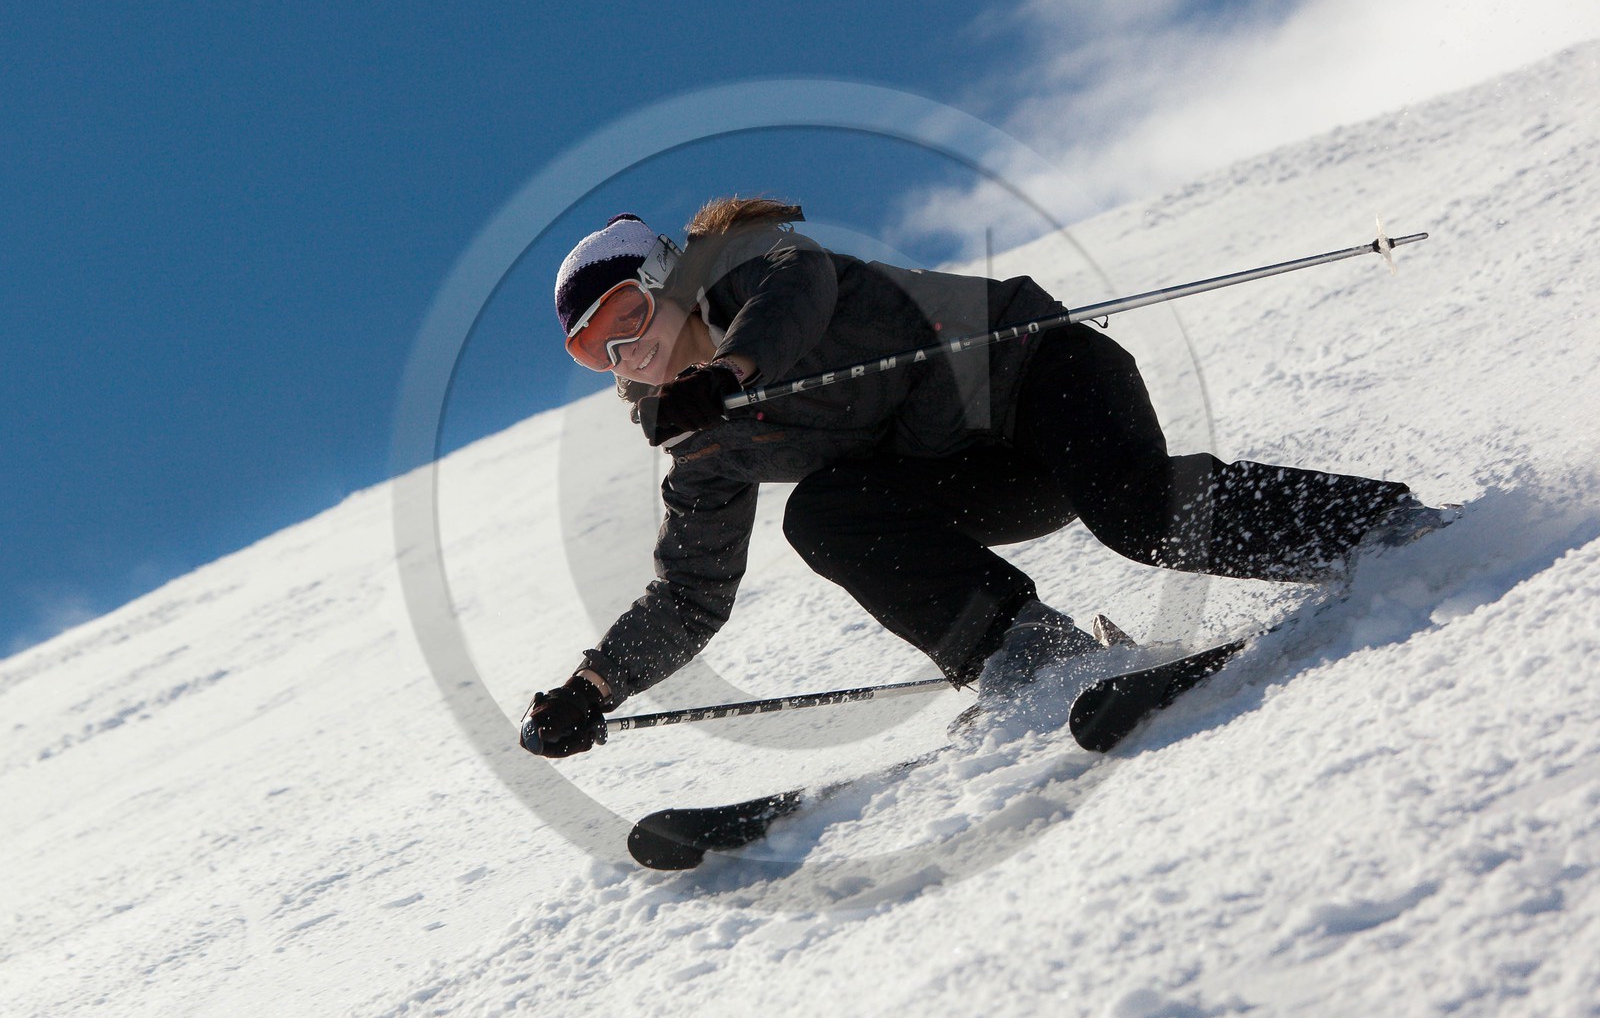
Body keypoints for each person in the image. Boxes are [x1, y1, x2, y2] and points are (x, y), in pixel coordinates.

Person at [520, 199, 1449, 757]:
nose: (630, 357)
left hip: (1043, 373)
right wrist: (592, 686)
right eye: (598, 354)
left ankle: (1381, 530)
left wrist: (732, 373)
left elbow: (799, 297)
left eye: (630, 316)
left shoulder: (761, 263)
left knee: (1133, 514)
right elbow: (689, 595)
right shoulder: (701, 448)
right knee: (824, 515)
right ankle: (1036, 662)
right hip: (969, 478)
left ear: (670, 278)